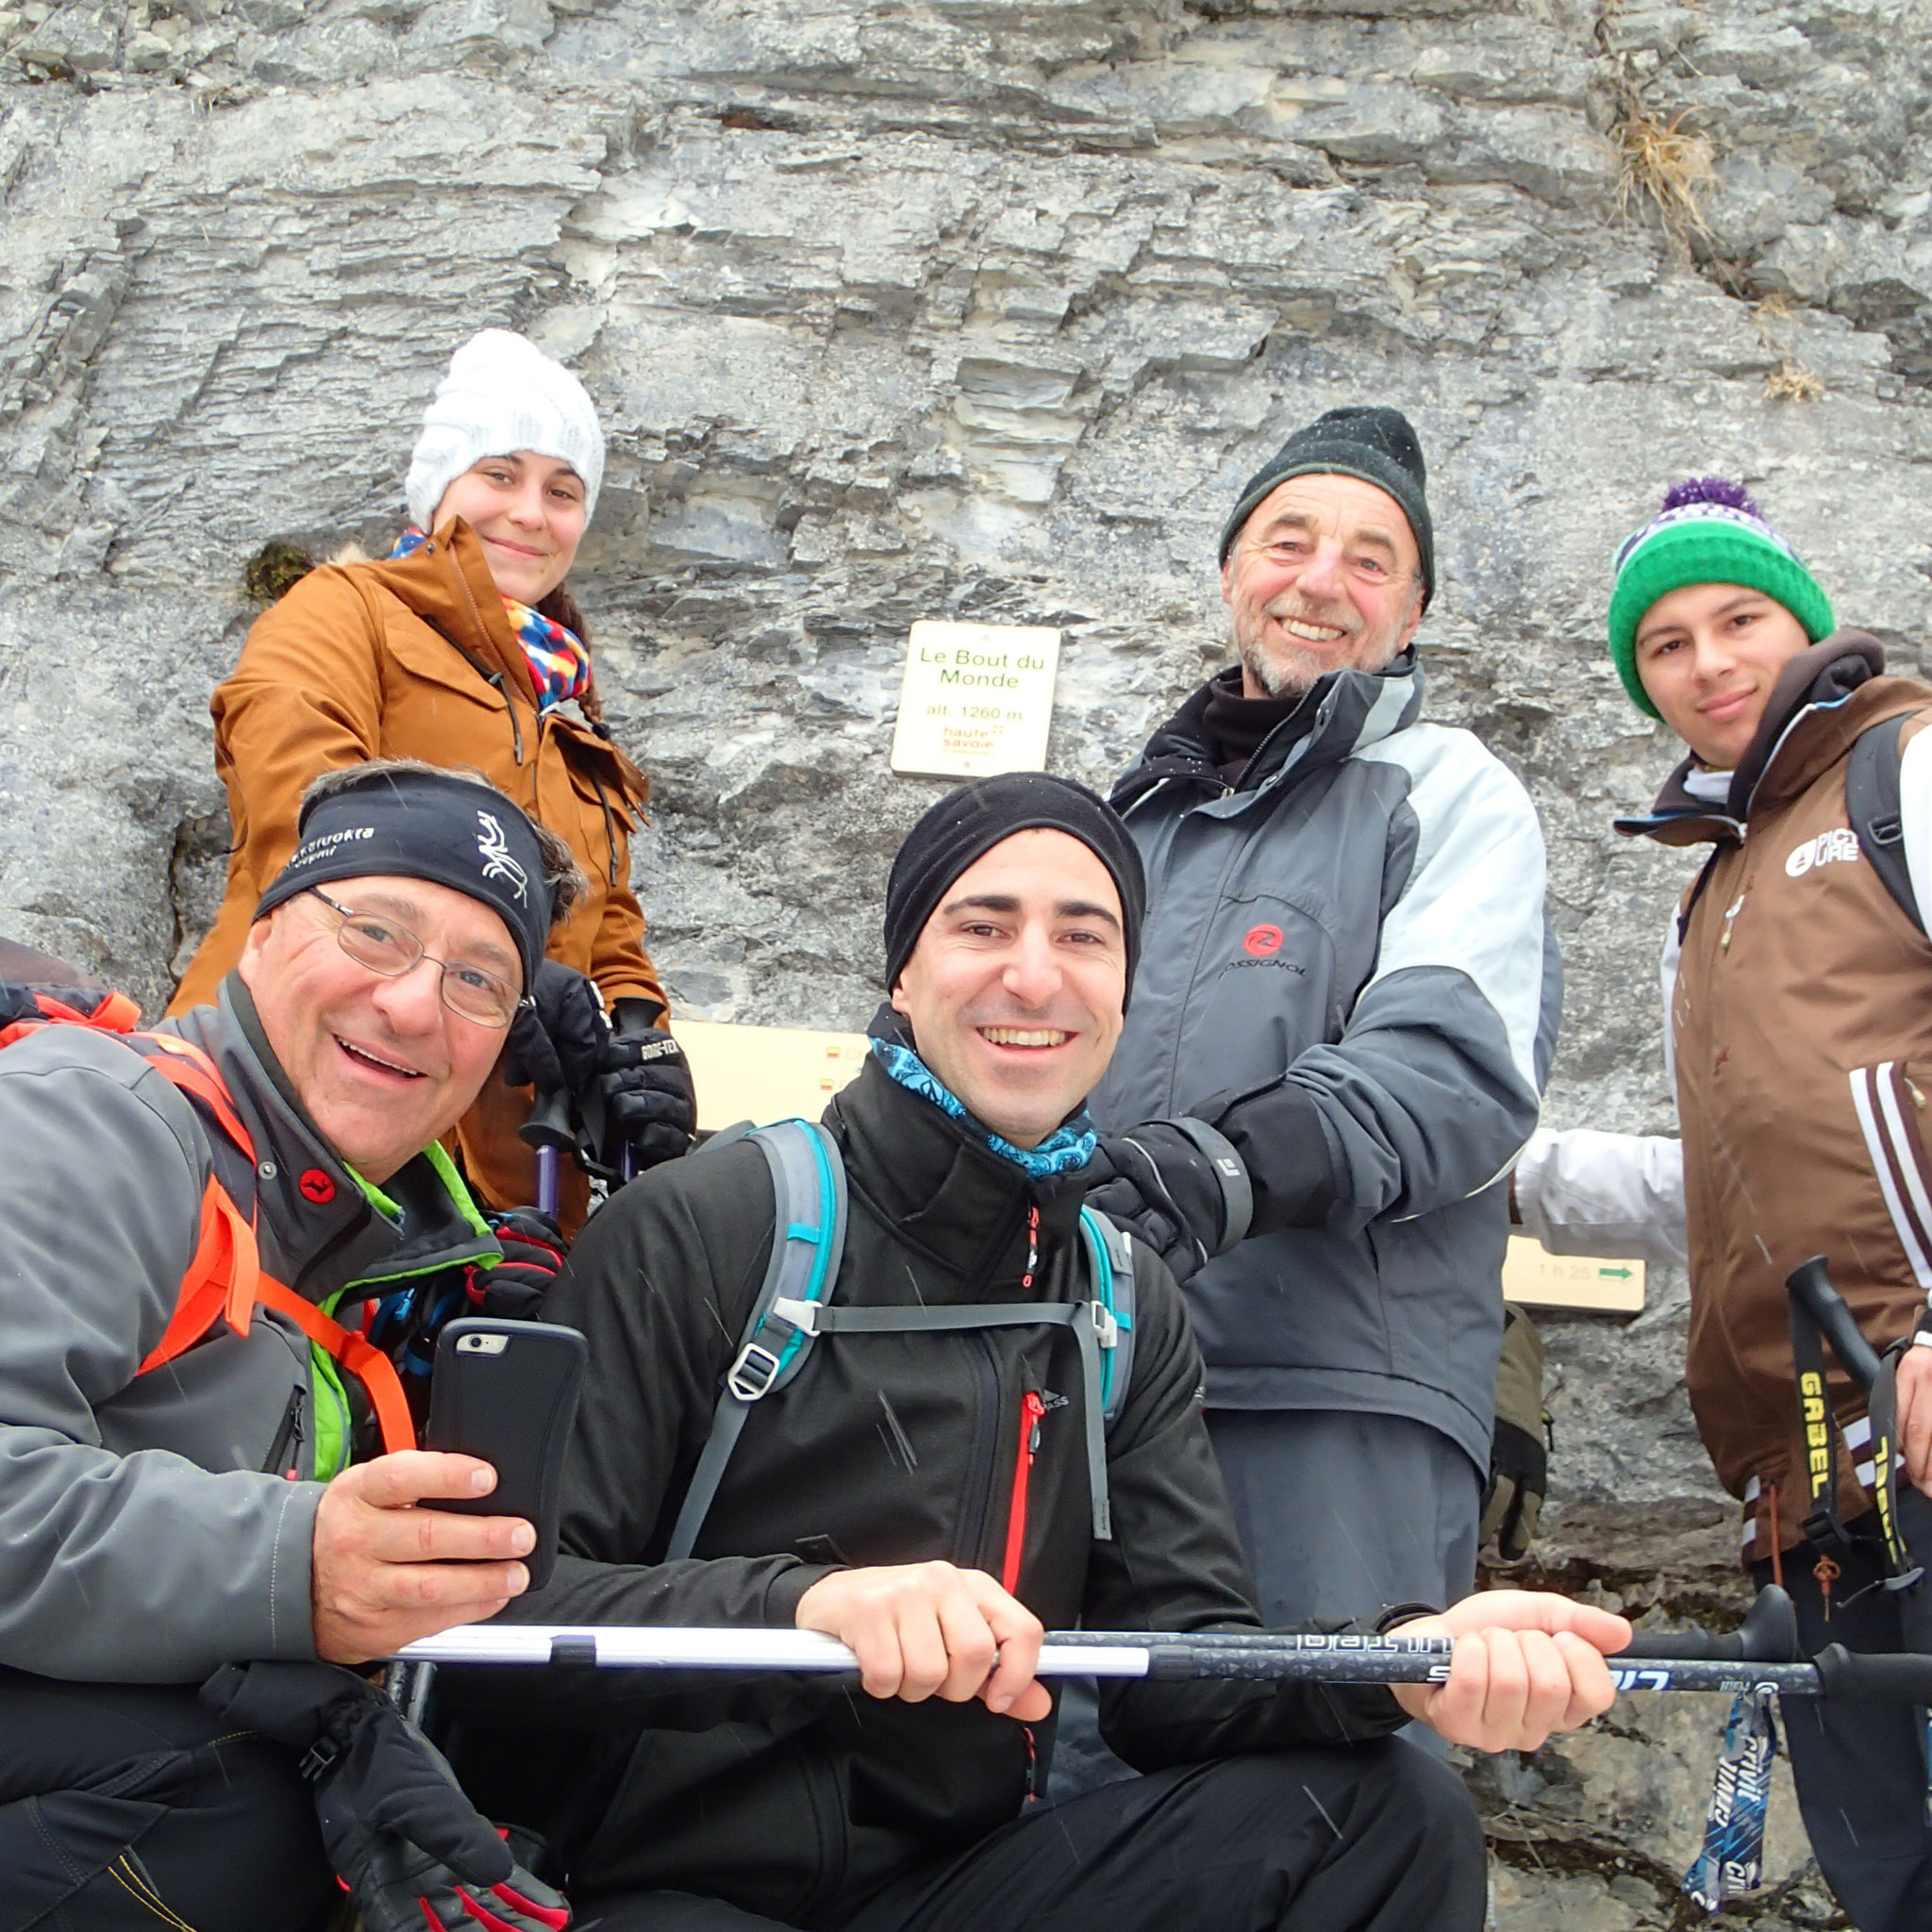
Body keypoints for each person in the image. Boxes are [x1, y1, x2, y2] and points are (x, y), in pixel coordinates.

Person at [442, 771, 1627, 1932]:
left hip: (952, 1881)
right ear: (902, 972)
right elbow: (501, 1610)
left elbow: (1177, 1669)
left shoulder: (1119, 1293)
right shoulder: (713, 1223)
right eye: (982, 924)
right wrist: (809, 1611)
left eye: (1084, 934)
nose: (1033, 972)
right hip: (657, 1887)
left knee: (1385, 1815)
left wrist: (1395, 1660)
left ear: (1124, 987)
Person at [0, 762, 578, 1928]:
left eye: (478, 979)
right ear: (261, 935)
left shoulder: (379, 1253)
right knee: (239, 1803)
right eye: (374, 931)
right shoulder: (85, 1115)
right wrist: (297, 1567)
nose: (415, 1005)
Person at [1513, 476, 1932, 1932]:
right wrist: (1491, 1170)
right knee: (1891, 1874)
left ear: (1807, 624)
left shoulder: (1906, 770)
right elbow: (1746, 1179)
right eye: (1667, 645)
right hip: (1812, 1469)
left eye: (1738, 618)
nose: (1709, 662)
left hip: (1923, 1399)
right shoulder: (1722, 879)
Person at [1084, 406, 1559, 1631]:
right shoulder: (1123, 828)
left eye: (1370, 558)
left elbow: (1453, 1069)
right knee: (1078, 1786)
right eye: (1288, 540)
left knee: (1314, 1789)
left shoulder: (1451, 795)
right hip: (1094, 1386)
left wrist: (1230, 1165)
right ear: (1235, 572)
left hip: (1337, 1402)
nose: (1320, 582)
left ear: (1413, 613)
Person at [170, 327, 695, 1231]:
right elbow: (301, 796)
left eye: (564, 492)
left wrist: (638, 1036)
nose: (532, 513)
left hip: (508, 1173)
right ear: (439, 488)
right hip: (291, 1109)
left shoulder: (564, 692)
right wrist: (510, 969)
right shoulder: (350, 608)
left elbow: (607, 920)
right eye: (500, 474)